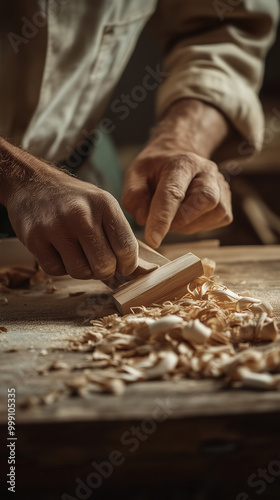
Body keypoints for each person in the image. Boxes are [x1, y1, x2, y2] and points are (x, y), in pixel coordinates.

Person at [0, 0, 278, 281]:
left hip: (81, 166)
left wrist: (181, 140)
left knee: (112, 250)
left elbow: (222, 26)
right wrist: (16, 176)